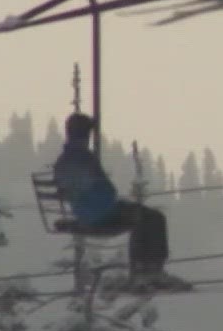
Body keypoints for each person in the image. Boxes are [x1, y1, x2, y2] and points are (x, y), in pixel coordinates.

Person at [53, 114, 189, 291]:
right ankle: (150, 271)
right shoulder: (83, 158)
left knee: (143, 217)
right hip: (100, 214)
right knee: (152, 218)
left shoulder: (64, 160)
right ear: (84, 135)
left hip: (87, 212)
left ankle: (142, 271)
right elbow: (106, 190)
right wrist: (110, 199)